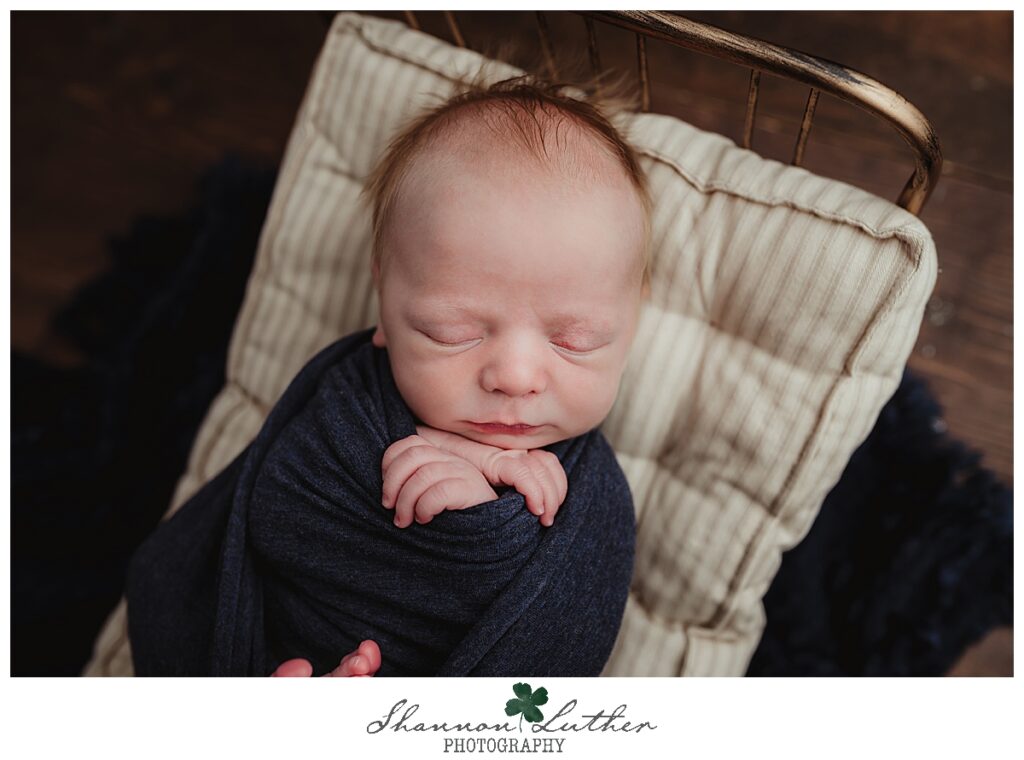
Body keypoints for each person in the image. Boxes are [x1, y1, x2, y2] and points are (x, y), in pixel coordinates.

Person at [128, 75, 649, 677]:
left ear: (630, 326)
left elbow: (560, 653)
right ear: (384, 301)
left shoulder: (596, 502)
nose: (514, 377)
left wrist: (478, 526)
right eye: (452, 331)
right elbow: (276, 510)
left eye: (575, 340)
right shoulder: (350, 399)